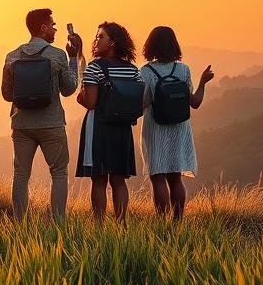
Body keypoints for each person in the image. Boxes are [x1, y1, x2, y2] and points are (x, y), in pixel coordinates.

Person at [1, 8, 83, 219]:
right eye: (53, 25)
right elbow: (69, 89)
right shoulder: (57, 55)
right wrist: (73, 58)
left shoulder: (12, 56)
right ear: (43, 27)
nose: (55, 29)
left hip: (22, 124)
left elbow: (7, 94)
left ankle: (20, 224)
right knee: (59, 173)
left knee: (20, 175)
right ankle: (58, 222)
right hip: (51, 123)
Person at [140, 25, 215, 219]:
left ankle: (162, 221)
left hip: (156, 128)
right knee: (175, 178)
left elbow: (143, 104)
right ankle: (178, 221)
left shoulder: (146, 72)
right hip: (179, 128)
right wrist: (203, 82)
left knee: (158, 176)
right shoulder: (183, 70)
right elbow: (195, 103)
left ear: (151, 46)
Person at [76, 21, 143, 222]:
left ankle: (99, 225)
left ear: (112, 42)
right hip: (122, 129)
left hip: (98, 127)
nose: (96, 40)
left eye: (100, 37)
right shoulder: (132, 70)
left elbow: (90, 103)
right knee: (119, 180)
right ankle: (121, 224)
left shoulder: (94, 68)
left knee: (98, 180)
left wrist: (80, 95)